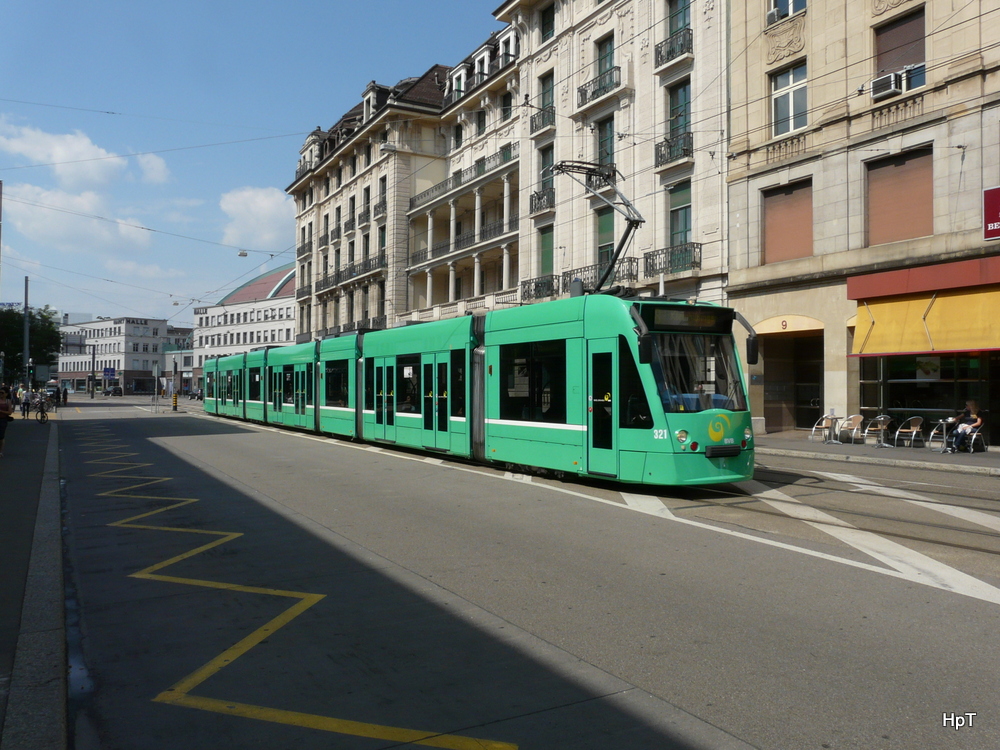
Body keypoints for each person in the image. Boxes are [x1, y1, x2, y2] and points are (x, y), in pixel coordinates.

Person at [0, 387, 15, 457]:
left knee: (1, 436)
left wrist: (1, 411)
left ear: (6, 394)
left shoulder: (7, 401)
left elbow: (10, 412)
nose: (1, 394)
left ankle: (0, 451)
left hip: (3, 420)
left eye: (2, 393)